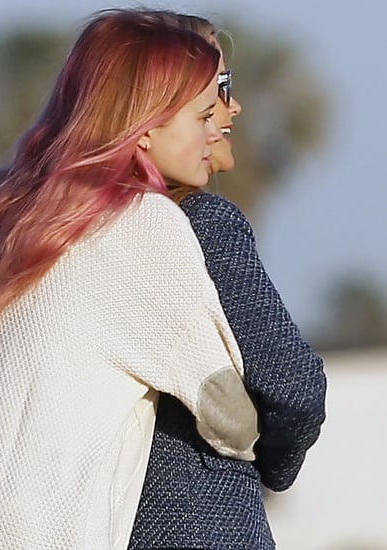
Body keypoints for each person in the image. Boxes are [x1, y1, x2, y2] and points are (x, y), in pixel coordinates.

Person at [0, 9, 262, 549]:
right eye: (202, 114)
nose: (217, 128)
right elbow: (229, 416)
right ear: (147, 127)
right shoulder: (142, 223)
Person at [128, 12, 327, 550]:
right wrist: (271, 469)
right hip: (201, 520)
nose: (231, 106)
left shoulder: (72, 230)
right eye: (218, 88)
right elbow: (297, 389)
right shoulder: (200, 223)